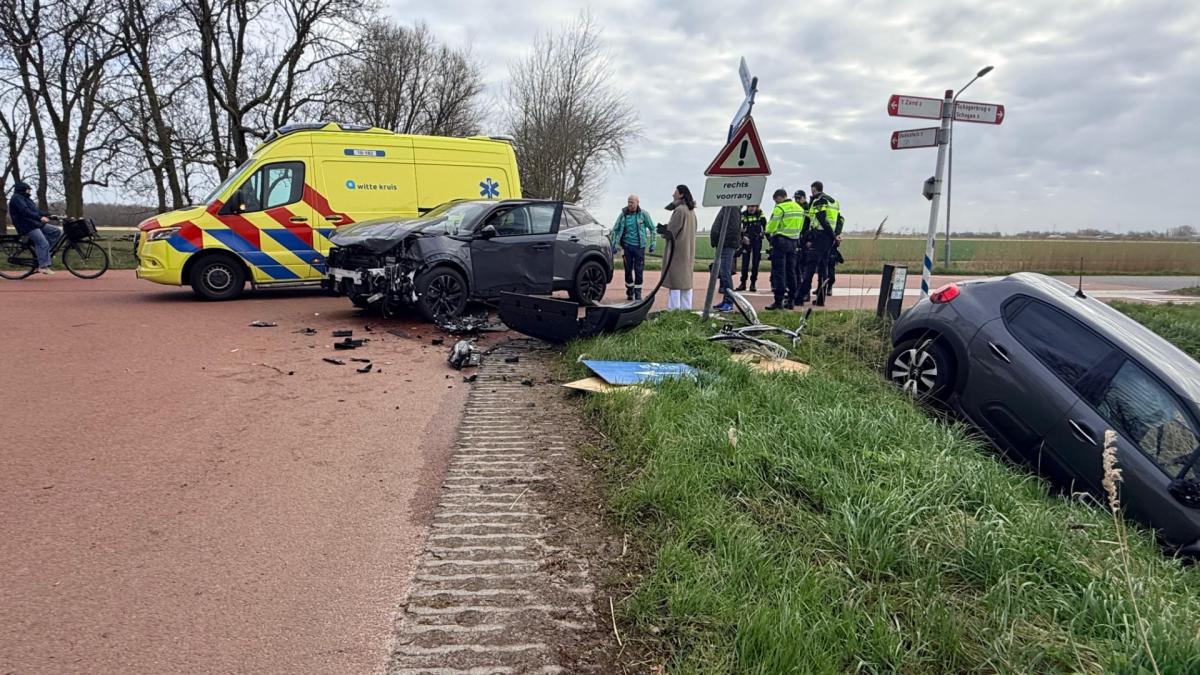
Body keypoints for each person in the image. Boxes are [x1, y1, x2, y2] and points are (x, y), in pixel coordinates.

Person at [797, 180, 843, 306]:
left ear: (814, 189)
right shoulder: (834, 201)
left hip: (820, 236)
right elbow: (840, 219)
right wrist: (835, 235)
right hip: (828, 239)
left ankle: (800, 297)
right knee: (823, 268)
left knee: (810, 267)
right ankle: (821, 299)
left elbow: (822, 220)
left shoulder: (819, 201)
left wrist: (831, 235)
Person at [763, 188, 804, 311]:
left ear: (779, 198)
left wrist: (768, 231)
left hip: (781, 242)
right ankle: (791, 300)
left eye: (776, 200)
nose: (776, 203)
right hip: (794, 242)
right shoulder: (799, 208)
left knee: (779, 272)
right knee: (791, 271)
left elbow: (771, 227)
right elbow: (801, 226)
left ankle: (778, 301)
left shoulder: (780, 208)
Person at [609, 194, 656, 301]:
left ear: (637, 203)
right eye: (628, 202)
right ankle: (630, 291)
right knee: (628, 270)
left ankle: (638, 293)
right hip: (627, 247)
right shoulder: (623, 215)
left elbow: (653, 229)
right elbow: (615, 229)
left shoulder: (643, 214)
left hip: (640, 247)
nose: (630, 204)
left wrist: (653, 242)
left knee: (639, 270)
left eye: (632, 202)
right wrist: (614, 243)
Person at [8, 180, 59, 275]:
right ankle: (42, 266)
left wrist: (49, 215)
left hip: (34, 223)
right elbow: (25, 211)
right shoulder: (17, 198)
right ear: (22, 190)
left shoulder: (26, 198)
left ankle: (44, 254)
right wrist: (40, 218)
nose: (29, 192)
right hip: (26, 225)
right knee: (43, 243)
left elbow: (35, 211)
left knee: (55, 231)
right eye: (28, 190)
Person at [663, 184, 697, 310]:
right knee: (686, 283)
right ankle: (686, 310)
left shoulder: (680, 210)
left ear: (681, 194)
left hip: (677, 252)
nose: (673, 194)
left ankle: (674, 311)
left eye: (675, 192)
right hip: (688, 252)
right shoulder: (691, 211)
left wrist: (663, 230)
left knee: (675, 282)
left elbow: (671, 232)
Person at [709, 207, 741, 312]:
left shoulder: (733, 209)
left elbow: (733, 228)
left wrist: (722, 239)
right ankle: (725, 300)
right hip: (722, 244)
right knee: (723, 273)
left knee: (725, 273)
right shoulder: (727, 208)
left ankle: (729, 302)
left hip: (726, 245)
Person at [735, 203, 767, 292]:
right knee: (745, 263)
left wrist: (765, 235)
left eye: (753, 206)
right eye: (749, 206)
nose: (751, 208)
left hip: (757, 241)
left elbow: (765, 226)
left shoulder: (760, 214)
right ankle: (743, 283)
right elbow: (738, 228)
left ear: (757, 207)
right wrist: (742, 237)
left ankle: (753, 283)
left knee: (755, 263)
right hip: (746, 241)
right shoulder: (743, 214)